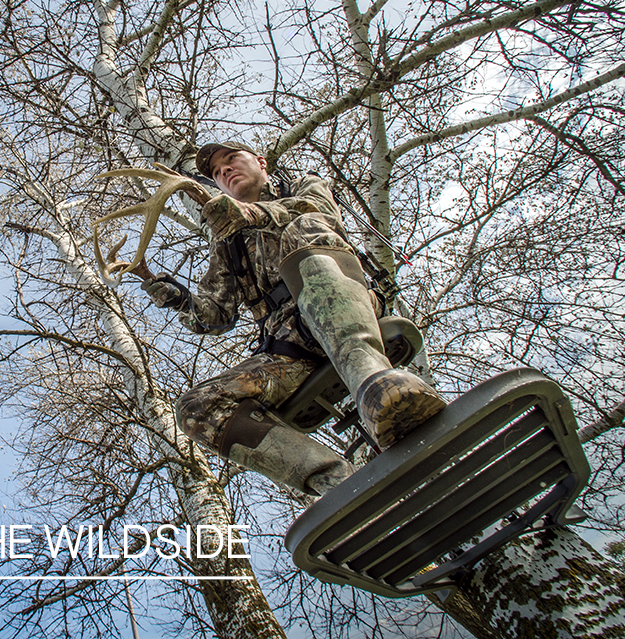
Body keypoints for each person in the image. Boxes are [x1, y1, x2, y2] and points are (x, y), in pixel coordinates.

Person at [130, 141, 446, 497]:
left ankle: (377, 385)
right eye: (217, 172)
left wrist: (252, 214)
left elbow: (318, 213)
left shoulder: (302, 187)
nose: (225, 171)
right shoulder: (228, 242)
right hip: (292, 352)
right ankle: (338, 484)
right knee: (196, 408)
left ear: (261, 162)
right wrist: (162, 288)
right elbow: (215, 315)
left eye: (231, 159)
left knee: (302, 232)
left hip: (345, 306)